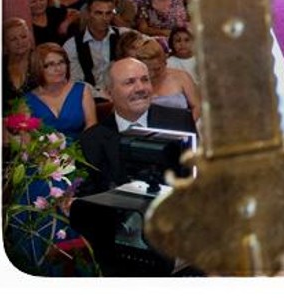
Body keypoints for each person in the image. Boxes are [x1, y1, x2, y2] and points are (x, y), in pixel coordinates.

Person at [77, 58, 197, 196]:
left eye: (145, 80)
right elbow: (91, 195)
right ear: (108, 93)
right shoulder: (92, 140)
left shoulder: (179, 121)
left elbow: (196, 179)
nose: (140, 88)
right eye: (130, 82)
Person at [64, 0, 132, 98]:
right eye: (98, 13)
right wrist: (101, 95)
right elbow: (76, 82)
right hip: (90, 98)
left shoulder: (124, 36)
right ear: (88, 13)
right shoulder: (72, 45)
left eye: (108, 13)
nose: (104, 18)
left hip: (124, 93)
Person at [24, 43, 97, 139]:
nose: (58, 69)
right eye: (50, 65)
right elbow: (25, 136)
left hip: (81, 148)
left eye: (61, 62)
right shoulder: (27, 100)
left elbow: (91, 126)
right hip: (44, 151)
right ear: (38, 68)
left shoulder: (82, 90)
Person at [129, 34, 201, 121]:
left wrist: (185, 127)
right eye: (147, 70)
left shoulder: (181, 77)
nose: (152, 74)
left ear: (165, 62)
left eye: (157, 69)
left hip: (182, 128)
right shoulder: (134, 82)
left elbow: (197, 107)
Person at [2, 18, 36, 110]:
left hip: (42, 120)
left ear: (30, 37)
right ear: (5, 44)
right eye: (13, 39)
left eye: (24, 37)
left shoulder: (41, 60)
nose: (20, 42)